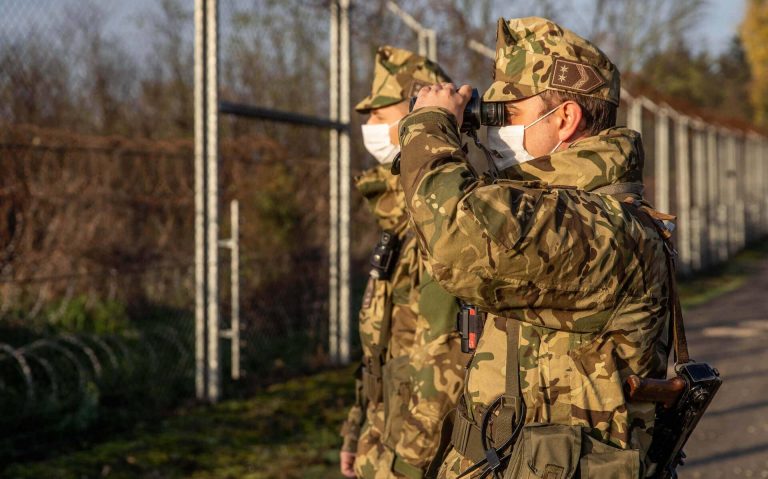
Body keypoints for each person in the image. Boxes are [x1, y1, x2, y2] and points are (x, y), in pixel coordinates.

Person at [398, 17, 672, 478]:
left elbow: (456, 237)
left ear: (565, 118)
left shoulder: (607, 229)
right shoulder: (556, 210)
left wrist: (429, 125)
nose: (493, 130)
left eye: (507, 115)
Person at [339, 46, 470, 479]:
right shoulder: (397, 215)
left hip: (418, 460)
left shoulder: (440, 218)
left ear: (417, 116)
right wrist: (359, 429)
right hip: (384, 442)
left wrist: (401, 468)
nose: (369, 128)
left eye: (380, 115)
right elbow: (384, 350)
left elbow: (444, 367)